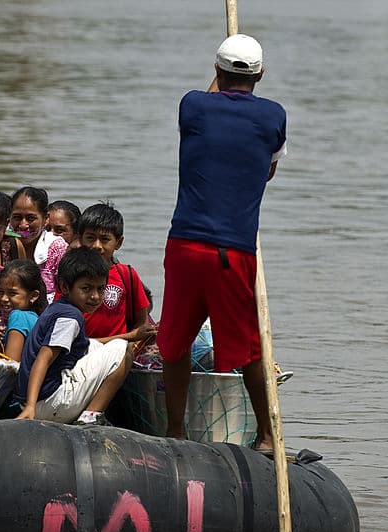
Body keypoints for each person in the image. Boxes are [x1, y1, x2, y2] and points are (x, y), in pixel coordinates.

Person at [156, 34, 287, 449]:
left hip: (185, 246)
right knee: (248, 349)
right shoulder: (273, 116)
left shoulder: (193, 105)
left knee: (174, 343)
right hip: (234, 252)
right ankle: (266, 436)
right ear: (261, 75)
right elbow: (267, 172)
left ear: (216, 69)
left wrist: (221, 71)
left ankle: (175, 430)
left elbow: (210, 100)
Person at [14, 247, 132, 426]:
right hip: (48, 403)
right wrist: (30, 406)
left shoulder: (59, 307)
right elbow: (43, 359)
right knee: (122, 347)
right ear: (64, 287)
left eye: (101, 289)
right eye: (86, 288)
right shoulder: (70, 317)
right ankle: (90, 417)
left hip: (40, 399)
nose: (95, 296)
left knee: (93, 346)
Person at [76, 202, 158, 346]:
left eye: (105, 239)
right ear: (80, 239)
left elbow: (141, 323)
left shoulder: (126, 274)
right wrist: (130, 336)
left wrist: (129, 347)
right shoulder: (71, 274)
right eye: (90, 238)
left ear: (118, 243)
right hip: (79, 350)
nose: (97, 246)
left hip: (118, 351)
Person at [9, 186, 68, 303]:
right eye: (17, 217)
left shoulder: (57, 248)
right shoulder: (1, 243)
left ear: (46, 219)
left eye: (31, 218)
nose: (23, 225)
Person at [0, 259, 47, 362]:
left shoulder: (18, 316)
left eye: (12, 293)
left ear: (33, 296)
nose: (4, 298)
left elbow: (11, 364)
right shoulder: (34, 317)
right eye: (0, 292)